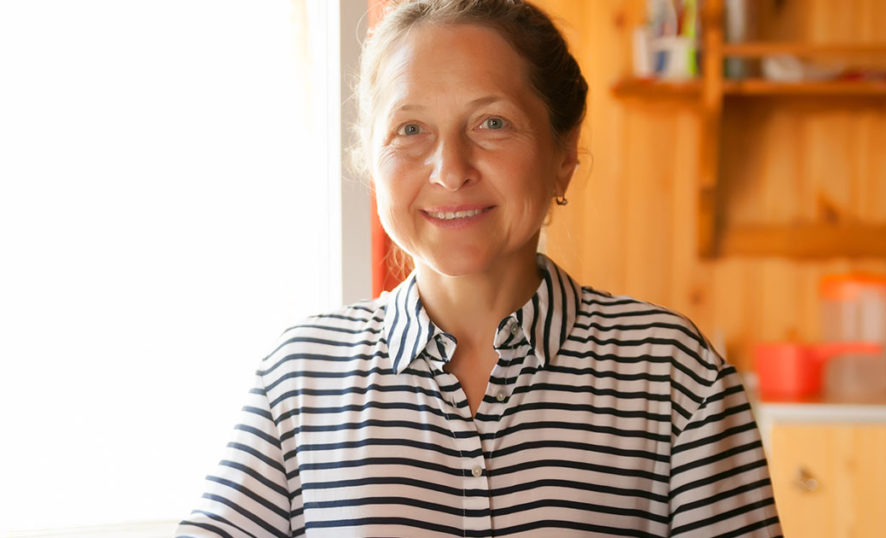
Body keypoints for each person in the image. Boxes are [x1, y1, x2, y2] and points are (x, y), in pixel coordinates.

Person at [175, 0, 781, 536]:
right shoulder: (300, 376)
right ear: (371, 160)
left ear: (563, 153)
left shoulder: (675, 375)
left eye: (492, 123)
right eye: (410, 128)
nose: (450, 170)